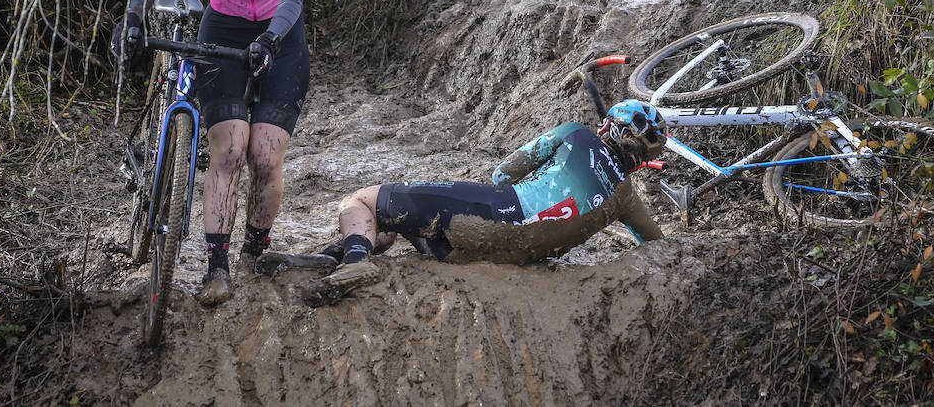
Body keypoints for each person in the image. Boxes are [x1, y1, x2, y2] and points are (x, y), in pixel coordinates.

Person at [112, 0, 313, 307]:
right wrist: (134, 16)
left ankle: (256, 250)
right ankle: (216, 267)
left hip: (279, 36)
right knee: (228, 150)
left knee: (264, 156)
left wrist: (269, 39)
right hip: (221, 27)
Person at [270, 100, 666, 303]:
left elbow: (504, 173)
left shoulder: (577, 134)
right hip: (504, 256)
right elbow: (657, 243)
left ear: (607, 127)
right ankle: (330, 256)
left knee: (361, 201)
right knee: (386, 226)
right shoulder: (627, 198)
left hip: (488, 215)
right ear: (642, 160)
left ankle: (354, 264)